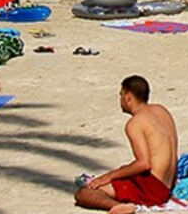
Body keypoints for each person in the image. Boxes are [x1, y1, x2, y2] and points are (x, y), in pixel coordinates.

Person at [75, 76, 177, 214]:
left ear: (128, 97)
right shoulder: (161, 111)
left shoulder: (135, 123)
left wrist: (109, 176)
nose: (121, 100)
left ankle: (117, 206)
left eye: (121, 95)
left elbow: (144, 163)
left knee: (85, 193)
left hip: (154, 189)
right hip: (168, 183)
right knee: (123, 173)